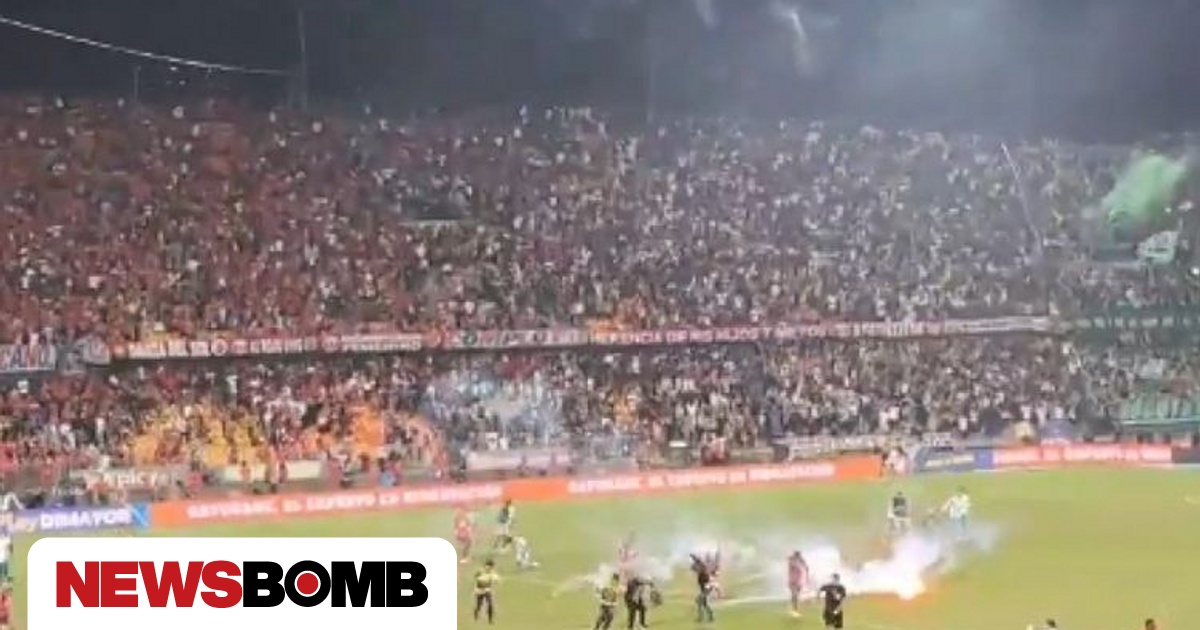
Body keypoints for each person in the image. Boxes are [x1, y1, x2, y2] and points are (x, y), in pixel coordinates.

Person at [689, 553, 716, 623]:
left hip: (707, 588)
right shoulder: (701, 573)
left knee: (699, 601)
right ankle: (710, 617)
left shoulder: (703, 572)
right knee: (704, 604)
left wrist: (694, 557)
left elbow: (699, 561)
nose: (695, 570)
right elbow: (696, 564)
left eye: (696, 569)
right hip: (704, 589)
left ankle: (701, 617)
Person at [473, 560, 500, 624]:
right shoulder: (480, 571)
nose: (489, 568)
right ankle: (476, 615)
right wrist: (476, 589)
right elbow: (476, 579)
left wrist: (493, 583)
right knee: (479, 604)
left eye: (491, 567)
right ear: (485, 565)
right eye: (488, 566)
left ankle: (490, 620)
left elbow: (495, 580)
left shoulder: (492, 573)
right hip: (480, 590)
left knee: (490, 604)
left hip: (487, 590)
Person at [788, 551, 809, 618]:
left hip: (798, 581)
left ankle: (794, 609)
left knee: (796, 596)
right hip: (792, 580)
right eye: (797, 556)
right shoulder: (792, 562)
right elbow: (792, 564)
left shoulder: (800, 561)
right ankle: (794, 610)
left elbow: (806, 567)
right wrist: (800, 562)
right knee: (795, 595)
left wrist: (807, 576)